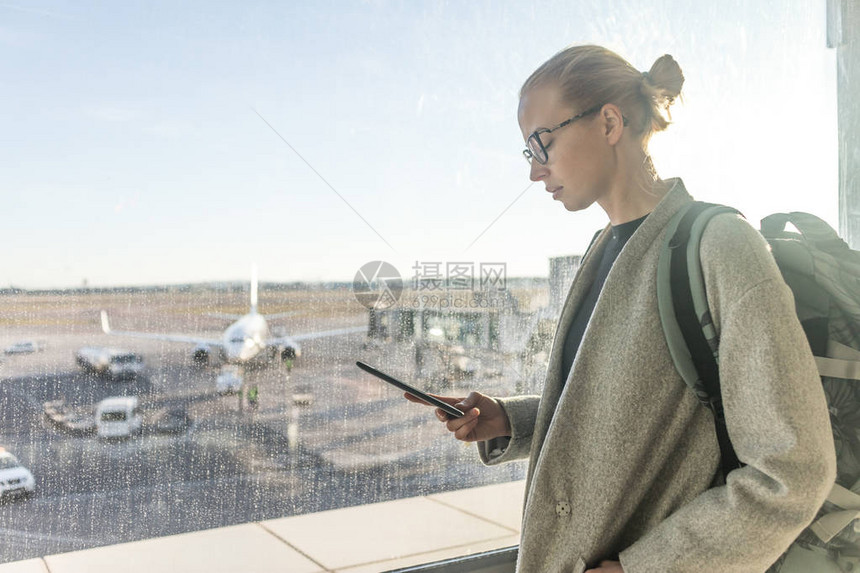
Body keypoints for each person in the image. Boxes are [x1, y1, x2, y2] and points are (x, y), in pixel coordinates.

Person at [405, 45, 836, 572]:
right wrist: (510, 420)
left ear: (609, 122)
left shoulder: (721, 247)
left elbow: (792, 470)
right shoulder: (602, 249)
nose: (536, 172)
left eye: (543, 143)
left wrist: (644, 568)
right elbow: (627, 409)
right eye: (528, 152)